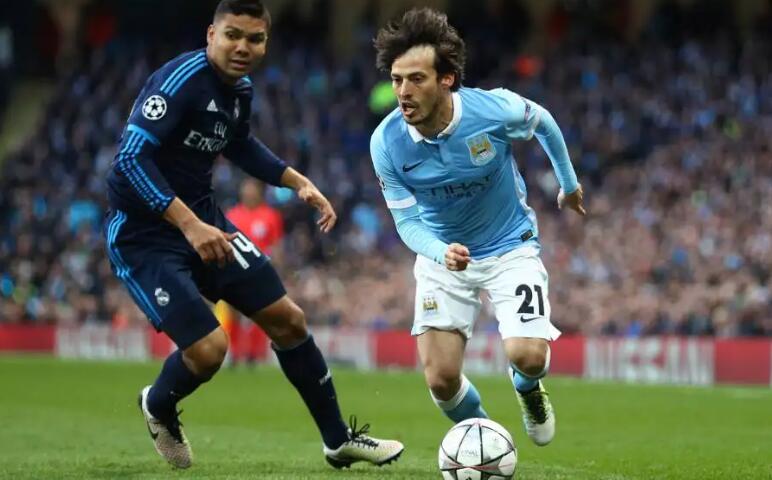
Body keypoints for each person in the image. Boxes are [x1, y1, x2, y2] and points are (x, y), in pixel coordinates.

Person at [104, 0, 403, 470]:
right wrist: (189, 224)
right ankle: (158, 404)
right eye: (233, 35)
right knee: (208, 351)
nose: (243, 47)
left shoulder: (240, 90)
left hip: (207, 224)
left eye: (255, 38)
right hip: (145, 236)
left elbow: (240, 144)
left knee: (289, 320)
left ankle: (338, 440)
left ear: (265, 43)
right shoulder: (178, 81)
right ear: (211, 35)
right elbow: (128, 160)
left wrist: (297, 182)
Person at [370, 8, 586, 447]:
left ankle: (527, 387)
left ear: (446, 79)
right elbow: (406, 222)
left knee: (528, 356)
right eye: (396, 79)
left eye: (416, 79)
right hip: (443, 256)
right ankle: (490, 442)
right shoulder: (386, 143)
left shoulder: (491, 110)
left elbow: (543, 122)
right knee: (441, 380)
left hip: (510, 246)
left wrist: (569, 185)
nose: (403, 92)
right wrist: (439, 252)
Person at [224, 178, 284, 364]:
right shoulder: (232, 214)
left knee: (261, 313)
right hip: (235, 271)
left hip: (260, 271)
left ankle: (254, 354)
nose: (248, 192)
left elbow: (276, 245)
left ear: (259, 192)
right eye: (246, 189)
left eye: (252, 189)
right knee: (233, 312)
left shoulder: (270, 215)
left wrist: (278, 270)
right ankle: (235, 353)